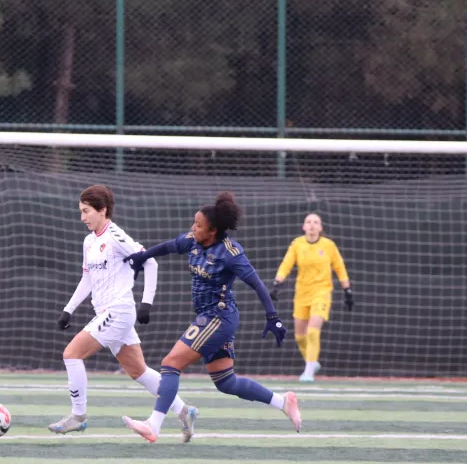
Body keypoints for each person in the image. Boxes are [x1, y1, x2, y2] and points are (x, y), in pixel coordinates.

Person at [121, 192, 301, 442]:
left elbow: (257, 284)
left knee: (171, 364)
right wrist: (143, 256)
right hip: (211, 317)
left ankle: (154, 425)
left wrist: (273, 317)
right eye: (194, 223)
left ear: (213, 230)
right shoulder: (192, 241)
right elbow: (168, 246)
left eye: (198, 225)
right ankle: (284, 402)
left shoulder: (230, 253)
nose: (193, 228)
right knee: (226, 382)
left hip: (218, 316)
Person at [49, 184, 200, 443]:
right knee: (138, 371)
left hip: (118, 311)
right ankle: (184, 411)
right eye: (81, 211)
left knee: (71, 354)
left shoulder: (116, 236)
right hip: (107, 312)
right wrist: (68, 310)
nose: (82, 217)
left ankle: (78, 416)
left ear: (102, 210)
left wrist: (146, 303)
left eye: (86, 211)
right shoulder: (89, 241)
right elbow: (87, 278)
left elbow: (150, 261)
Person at [270, 213, 352, 382]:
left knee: (312, 331)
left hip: (322, 293)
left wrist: (347, 290)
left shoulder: (328, 245)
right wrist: (277, 283)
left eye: (316, 222)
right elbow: (286, 264)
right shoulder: (297, 244)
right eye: (309, 222)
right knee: (300, 336)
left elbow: (340, 267)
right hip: (302, 294)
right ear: (304, 227)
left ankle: (308, 371)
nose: (312, 225)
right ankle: (312, 362)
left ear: (320, 227)